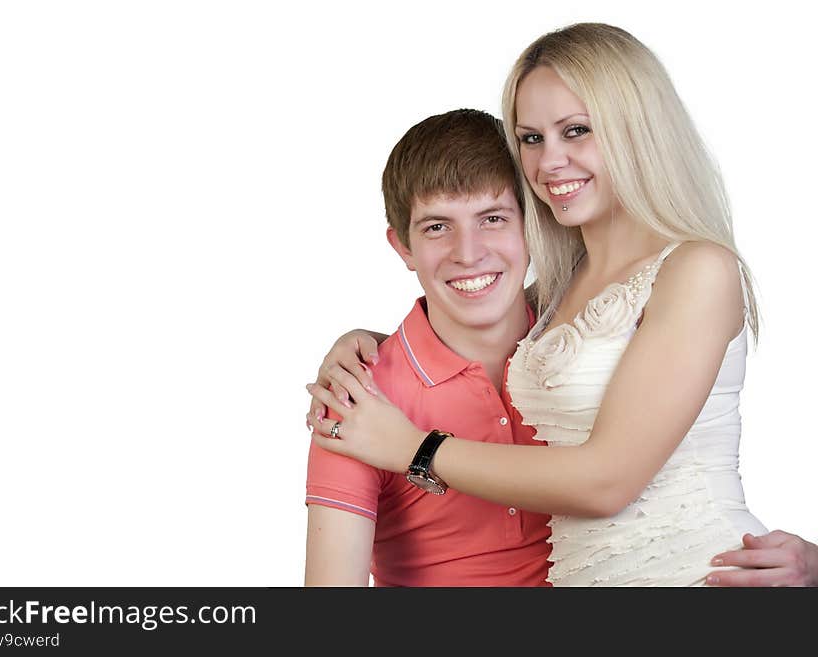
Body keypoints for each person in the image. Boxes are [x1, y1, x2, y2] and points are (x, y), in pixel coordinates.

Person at [307, 23, 818, 586]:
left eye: (576, 130)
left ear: (634, 129)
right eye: (531, 139)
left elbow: (607, 481)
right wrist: (372, 347)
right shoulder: (558, 292)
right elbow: (471, 313)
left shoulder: (696, 269)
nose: (551, 162)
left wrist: (411, 447)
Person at [305, 108, 554, 586]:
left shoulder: (583, 347)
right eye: (438, 227)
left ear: (531, 224)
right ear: (403, 247)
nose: (469, 252)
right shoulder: (359, 398)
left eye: (493, 218)